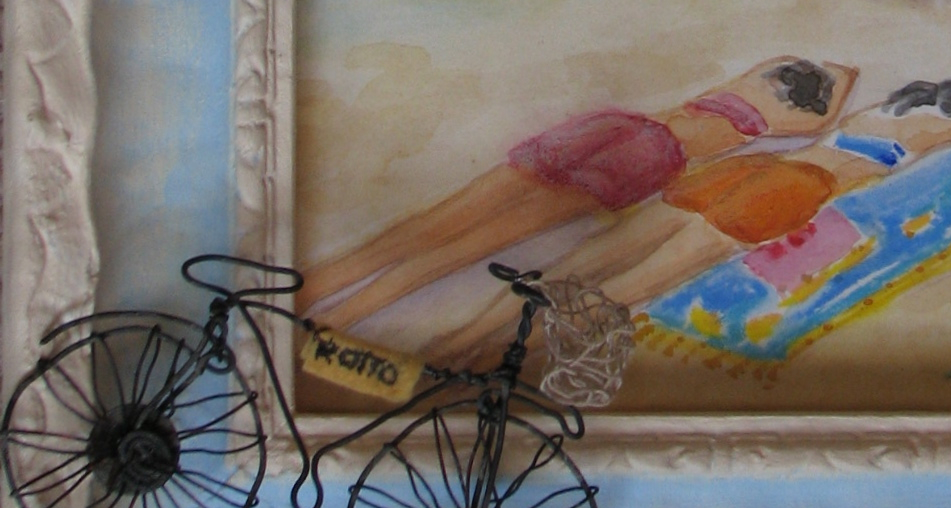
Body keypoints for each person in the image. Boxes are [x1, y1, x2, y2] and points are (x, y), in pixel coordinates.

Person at [425, 53, 951, 369]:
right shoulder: (928, 132)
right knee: (624, 292)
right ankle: (484, 363)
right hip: (790, 190)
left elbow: (840, 75)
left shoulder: (874, 110)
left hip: (742, 173)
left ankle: (449, 344)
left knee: (582, 264)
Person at [297, 56, 858, 328]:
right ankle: (335, 316)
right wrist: (846, 78)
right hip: (646, 158)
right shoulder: (782, 122)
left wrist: (830, 71)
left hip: (619, 130)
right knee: (463, 245)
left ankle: (317, 290)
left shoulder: (751, 80)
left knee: (443, 224)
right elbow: (835, 102)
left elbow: (823, 79)